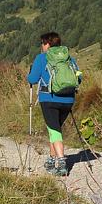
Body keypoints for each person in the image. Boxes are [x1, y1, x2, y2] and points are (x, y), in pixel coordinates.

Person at [27, 31, 80, 176]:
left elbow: (32, 80)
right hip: (68, 99)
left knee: (54, 130)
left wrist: (30, 73)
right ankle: (51, 159)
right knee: (55, 129)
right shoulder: (69, 58)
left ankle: (61, 162)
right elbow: (78, 78)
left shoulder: (42, 58)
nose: (42, 46)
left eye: (43, 43)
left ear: (48, 44)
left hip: (49, 99)